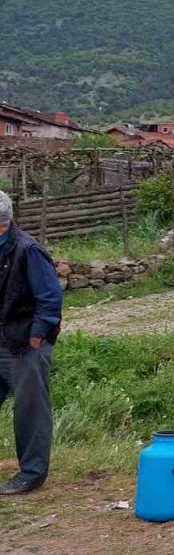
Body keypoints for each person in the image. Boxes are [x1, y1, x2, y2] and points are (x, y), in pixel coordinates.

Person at [0, 190, 62, 495]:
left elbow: (50, 300)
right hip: (1, 339)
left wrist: (36, 338)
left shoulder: (28, 250)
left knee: (30, 410)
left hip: (25, 345)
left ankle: (31, 474)